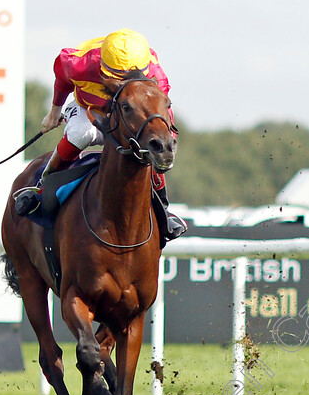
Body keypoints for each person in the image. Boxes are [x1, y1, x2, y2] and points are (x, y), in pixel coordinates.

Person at [13, 28, 187, 241]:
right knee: (81, 133)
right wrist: (54, 113)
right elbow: (62, 79)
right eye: (118, 79)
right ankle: (41, 190)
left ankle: (164, 210)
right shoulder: (76, 63)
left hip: (129, 116)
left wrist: (167, 139)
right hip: (89, 108)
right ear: (103, 66)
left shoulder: (156, 74)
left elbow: (160, 110)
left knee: (148, 145)